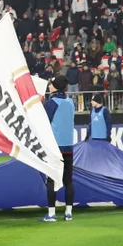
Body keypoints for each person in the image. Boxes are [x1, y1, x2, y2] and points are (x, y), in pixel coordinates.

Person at [43, 76, 76, 222]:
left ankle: (51, 214)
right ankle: (68, 213)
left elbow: (42, 122)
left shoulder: (51, 103)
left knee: (51, 180)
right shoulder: (70, 102)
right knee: (68, 180)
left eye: (51, 84)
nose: (49, 86)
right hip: (68, 146)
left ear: (55, 87)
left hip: (55, 147)